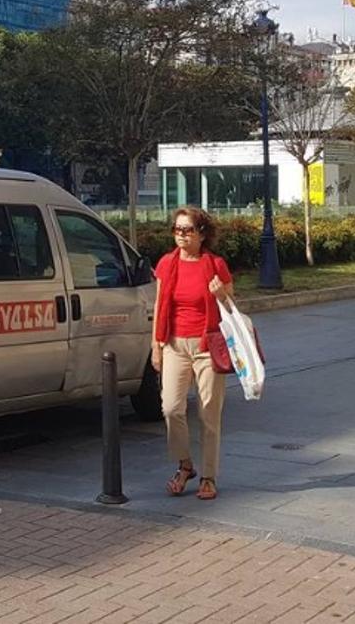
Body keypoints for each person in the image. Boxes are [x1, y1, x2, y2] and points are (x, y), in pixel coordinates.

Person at [150, 206, 233, 501]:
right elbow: (160, 306)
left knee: (209, 414)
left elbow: (232, 309)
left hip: (207, 346)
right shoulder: (166, 264)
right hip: (174, 344)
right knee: (171, 408)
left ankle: (209, 476)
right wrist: (156, 346)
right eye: (177, 229)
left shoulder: (215, 265)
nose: (181, 235)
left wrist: (220, 294)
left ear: (202, 234)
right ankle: (185, 465)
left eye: (187, 230)